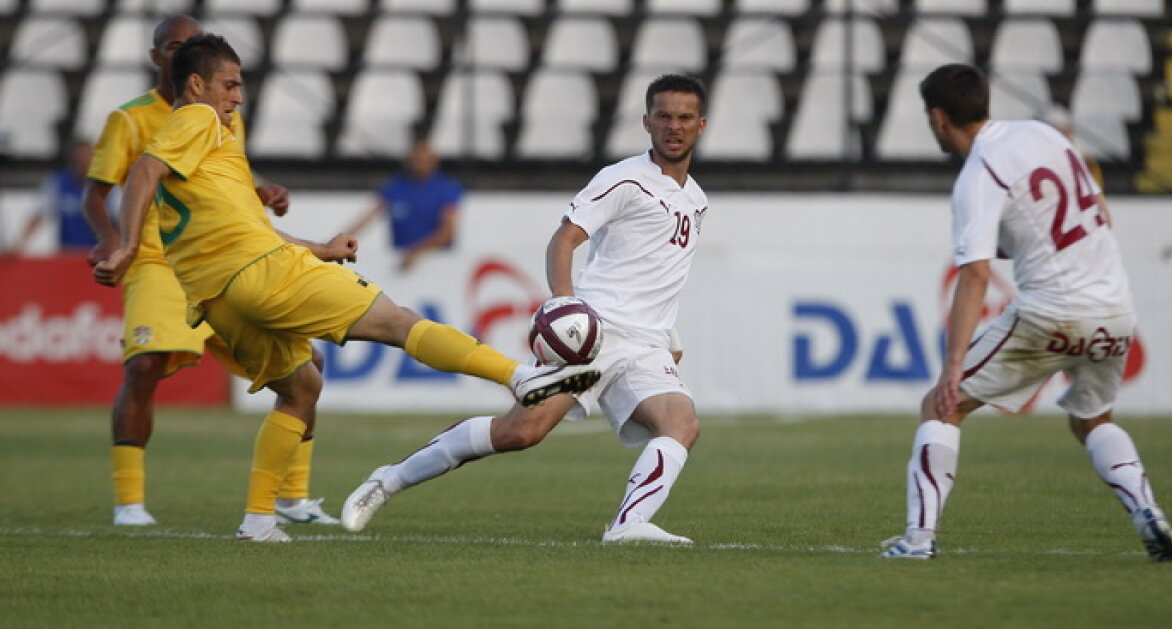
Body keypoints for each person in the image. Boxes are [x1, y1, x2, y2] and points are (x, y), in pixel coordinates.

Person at [92, 33, 600, 543]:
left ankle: (258, 520)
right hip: (263, 274)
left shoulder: (205, 147)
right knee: (398, 322)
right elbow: (142, 172)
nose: (237, 98)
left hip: (219, 299)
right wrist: (129, 245)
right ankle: (519, 378)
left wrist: (320, 248)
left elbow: (244, 227)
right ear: (196, 84)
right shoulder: (197, 118)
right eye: (229, 85)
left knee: (301, 389)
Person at [340, 74, 709, 545]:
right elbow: (565, 239)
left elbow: (659, 270)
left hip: (647, 345)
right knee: (520, 432)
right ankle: (390, 479)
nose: (674, 126)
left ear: (700, 124)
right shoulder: (624, 178)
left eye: (684, 118)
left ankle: (628, 526)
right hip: (596, 335)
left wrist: (667, 333)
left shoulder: (696, 199)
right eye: (664, 116)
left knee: (681, 424)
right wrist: (564, 304)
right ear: (646, 121)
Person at [879, 64, 1172, 562]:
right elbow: (1100, 215)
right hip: (1115, 309)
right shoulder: (1045, 135)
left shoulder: (978, 174)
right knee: (1093, 418)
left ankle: (917, 541)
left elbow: (975, 276)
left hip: (1053, 312)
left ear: (938, 118)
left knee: (942, 405)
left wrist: (953, 367)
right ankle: (1147, 511)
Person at [83, 15, 333, 528]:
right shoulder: (129, 118)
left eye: (192, 44)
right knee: (144, 367)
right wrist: (112, 239)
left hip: (222, 261)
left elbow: (227, 175)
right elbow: (97, 193)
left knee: (309, 361)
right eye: (175, 45)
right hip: (157, 261)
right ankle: (130, 502)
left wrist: (261, 191)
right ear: (157, 56)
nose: (183, 52)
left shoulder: (224, 112)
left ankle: (293, 496)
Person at [344, 138, 462, 271]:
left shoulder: (446, 187)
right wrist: (342, 241)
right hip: (400, 259)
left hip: (437, 262)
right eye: (415, 160)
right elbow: (368, 217)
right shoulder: (396, 186)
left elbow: (448, 232)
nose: (418, 164)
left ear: (434, 162)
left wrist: (417, 251)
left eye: (423, 160)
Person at [5, 140, 106, 255]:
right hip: (69, 253)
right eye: (80, 159)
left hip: (100, 253)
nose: (84, 163)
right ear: (72, 160)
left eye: (88, 158)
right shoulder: (58, 182)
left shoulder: (105, 184)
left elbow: (117, 218)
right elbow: (40, 214)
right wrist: (20, 243)